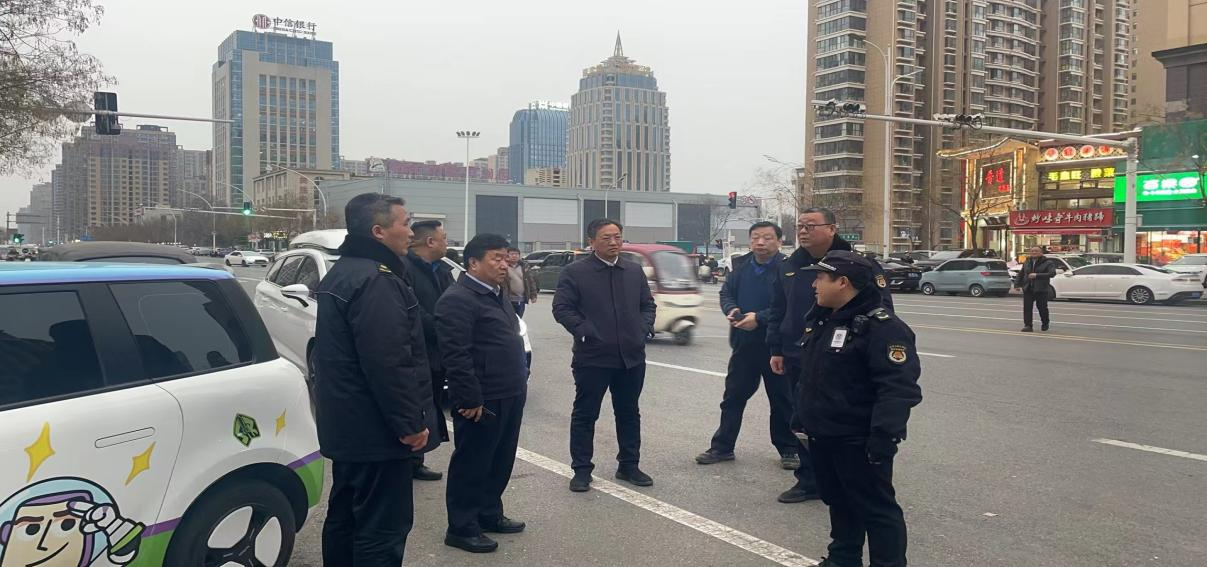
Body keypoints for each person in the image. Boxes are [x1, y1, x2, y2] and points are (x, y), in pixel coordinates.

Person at [313, 193, 436, 566]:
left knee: (347, 519)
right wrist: (409, 425)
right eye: (404, 223)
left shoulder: (348, 269)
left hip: (350, 426)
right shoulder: (375, 280)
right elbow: (389, 362)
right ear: (379, 231)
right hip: (377, 432)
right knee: (382, 529)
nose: (410, 231)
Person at [795, 250, 922, 567]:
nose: (814, 284)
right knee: (839, 502)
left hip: (858, 438)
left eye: (821, 277)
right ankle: (843, 558)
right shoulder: (824, 319)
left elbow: (898, 387)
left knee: (877, 510)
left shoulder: (883, 328)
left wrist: (884, 436)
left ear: (843, 282)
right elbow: (813, 377)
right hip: (824, 433)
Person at [766, 207, 895, 504]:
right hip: (799, 353)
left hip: (843, 357)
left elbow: (881, 310)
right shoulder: (789, 265)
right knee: (802, 417)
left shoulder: (858, 265)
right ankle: (810, 479)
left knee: (840, 418)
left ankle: (848, 477)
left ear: (832, 229)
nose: (803, 231)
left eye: (811, 225)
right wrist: (775, 348)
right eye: (800, 225)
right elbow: (778, 309)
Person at [436, 233, 530, 554]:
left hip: (510, 391)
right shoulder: (458, 299)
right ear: (473, 263)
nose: (505, 264)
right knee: (473, 463)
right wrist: (470, 398)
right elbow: (456, 355)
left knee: (500, 459)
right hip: (483, 398)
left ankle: (489, 513)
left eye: (506, 258)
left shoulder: (495, 293)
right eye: (496, 258)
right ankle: (461, 527)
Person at [552, 218, 657, 492]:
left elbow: (647, 305)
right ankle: (582, 470)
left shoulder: (633, 271)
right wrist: (585, 330)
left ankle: (629, 465)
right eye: (606, 237)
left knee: (629, 412)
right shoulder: (576, 273)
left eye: (617, 237)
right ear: (591, 242)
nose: (613, 242)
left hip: (631, 358)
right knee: (586, 414)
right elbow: (562, 308)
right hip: (593, 357)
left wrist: (642, 329)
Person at [696, 221, 799, 470]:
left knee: (782, 400)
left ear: (779, 241)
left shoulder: (789, 269)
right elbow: (726, 293)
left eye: (766, 238)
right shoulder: (741, 266)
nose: (760, 243)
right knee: (733, 397)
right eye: (755, 238)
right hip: (744, 344)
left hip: (776, 348)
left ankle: (789, 449)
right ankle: (722, 447)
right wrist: (732, 310)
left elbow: (789, 305)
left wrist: (759, 318)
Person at [405, 219, 456, 481]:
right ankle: (407, 460)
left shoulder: (443, 270)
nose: (447, 242)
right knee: (412, 407)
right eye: (444, 237)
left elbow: (452, 303)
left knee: (430, 404)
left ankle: (417, 460)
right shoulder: (404, 269)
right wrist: (443, 328)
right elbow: (413, 311)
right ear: (430, 241)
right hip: (416, 351)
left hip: (439, 353)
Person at [1016, 246, 1056, 332]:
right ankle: (1028, 325)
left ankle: (1045, 322)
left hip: (1041, 289)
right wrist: (1017, 285)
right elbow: (1021, 273)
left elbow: (1052, 273)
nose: (1034, 252)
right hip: (1028, 288)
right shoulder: (1027, 261)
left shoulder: (1048, 262)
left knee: (1042, 307)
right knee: (1027, 308)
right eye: (1032, 251)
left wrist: (1037, 275)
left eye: (1036, 251)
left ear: (1041, 252)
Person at [502, 247, 538, 317]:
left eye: (516, 254)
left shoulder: (524, 267)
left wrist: (533, 295)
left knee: (519, 320)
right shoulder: (503, 267)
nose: (514, 256)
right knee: (509, 320)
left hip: (521, 300)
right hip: (508, 300)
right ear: (507, 255)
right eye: (512, 254)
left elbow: (531, 281)